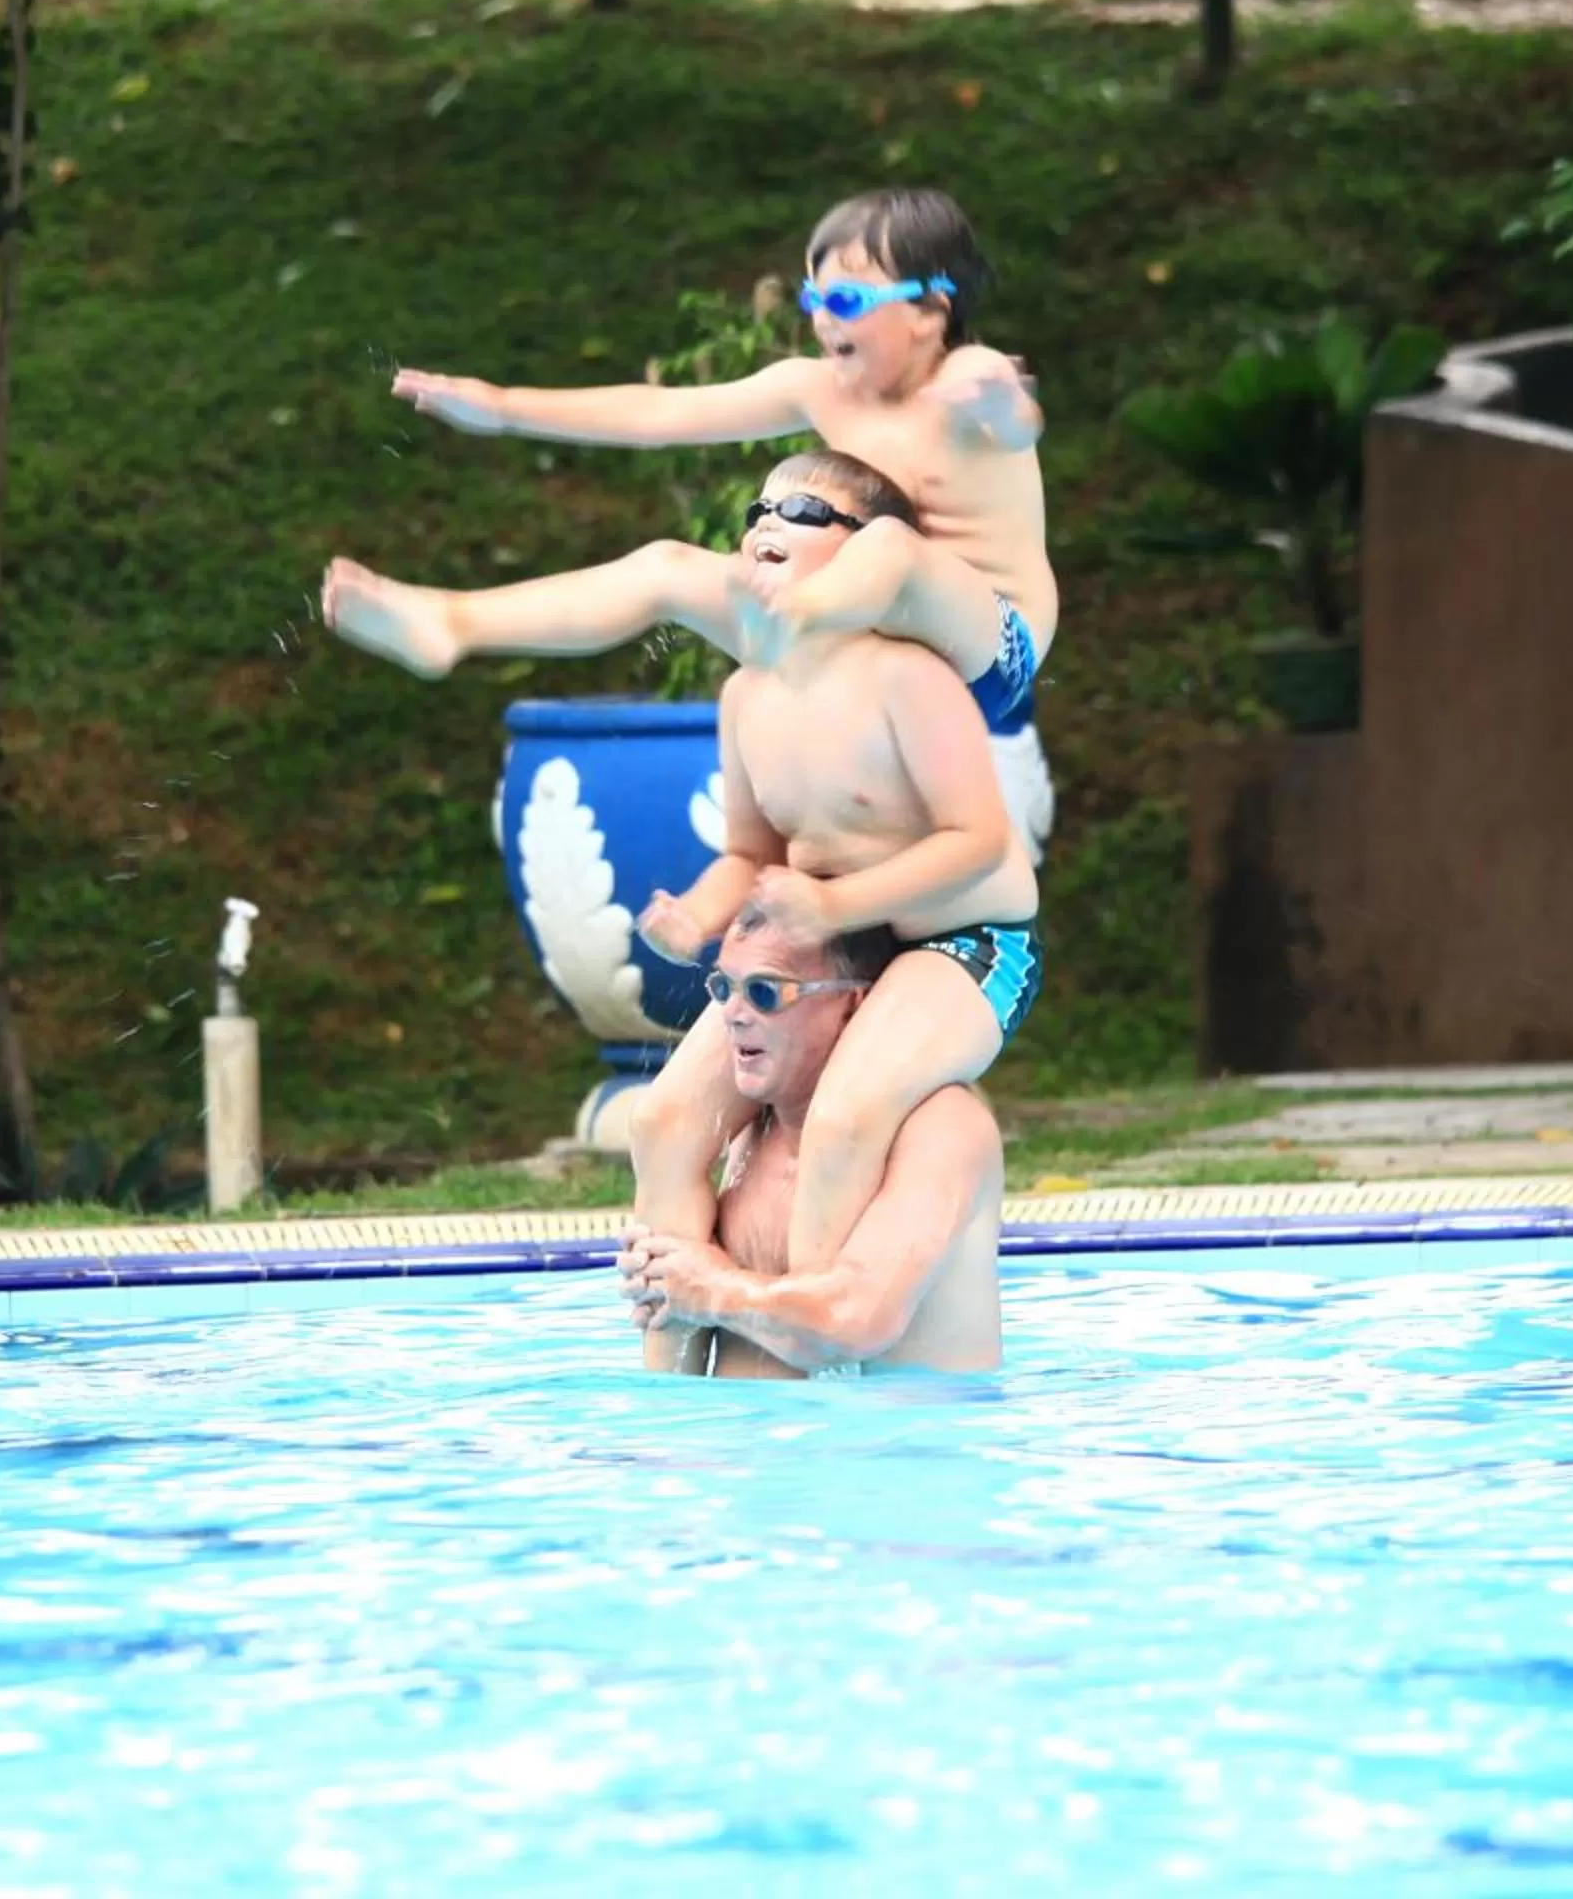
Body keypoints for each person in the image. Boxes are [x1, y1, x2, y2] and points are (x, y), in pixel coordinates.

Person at [325, 449, 1041, 1300]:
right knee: (664, 1121)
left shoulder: (908, 678)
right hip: (832, 941)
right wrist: (696, 914)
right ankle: (673, 1364)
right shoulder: (749, 694)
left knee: (847, 1117)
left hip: (961, 945)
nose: (769, 522)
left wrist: (836, 900)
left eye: (806, 514)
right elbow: (749, 852)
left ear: (864, 554)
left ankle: (803, 1348)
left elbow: (981, 845)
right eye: (760, 511)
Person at [327, 188, 1054, 744]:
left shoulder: (969, 379)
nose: (822, 318)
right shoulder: (818, 388)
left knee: (887, 545)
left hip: (989, 653)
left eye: (845, 298)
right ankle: (451, 623)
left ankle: (789, 619)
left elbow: (1017, 422)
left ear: (929, 309)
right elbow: (660, 413)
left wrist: (995, 399)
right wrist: (503, 404)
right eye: (811, 296)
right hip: (855, 639)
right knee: (666, 567)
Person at [618, 906, 1005, 1376]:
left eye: (765, 992)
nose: (733, 1016)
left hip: (898, 1444)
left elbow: (857, 1321)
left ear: (853, 1005)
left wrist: (712, 1289)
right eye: (723, 988)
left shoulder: (943, 1130)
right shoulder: (749, 1130)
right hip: (740, 1439)